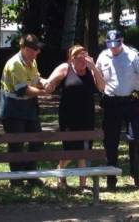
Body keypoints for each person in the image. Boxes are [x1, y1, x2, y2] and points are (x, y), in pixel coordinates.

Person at [96, 29, 139, 190]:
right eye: (110, 45)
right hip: (111, 103)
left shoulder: (133, 54)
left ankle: (135, 170)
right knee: (110, 141)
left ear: (122, 41)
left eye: (116, 44)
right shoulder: (103, 56)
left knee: (136, 137)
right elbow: (98, 78)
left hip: (131, 102)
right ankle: (111, 176)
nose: (113, 48)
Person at [44, 45, 104, 189]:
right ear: (72, 58)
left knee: (84, 150)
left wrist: (94, 68)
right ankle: (61, 172)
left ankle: (82, 186)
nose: (84, 61)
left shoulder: (90, 70)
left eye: (86, 57)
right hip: (69, 118)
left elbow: (102, 87)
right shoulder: (66, 68)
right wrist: (51, 82)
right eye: (80, 58)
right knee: (71, 150)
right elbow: (49, 83)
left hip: (87, 116)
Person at [0, 34, 48, 188]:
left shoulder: (32, 61)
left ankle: (30, 174)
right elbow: (23, 90)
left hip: (29, 108)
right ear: (26, 49)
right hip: (12, 109)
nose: (38, 52)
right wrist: (44, 92)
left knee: (37, 140)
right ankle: (16, 179)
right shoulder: (15, 64)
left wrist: (46, 82)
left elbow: (36, 79)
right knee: (16, 145)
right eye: (35, 49)